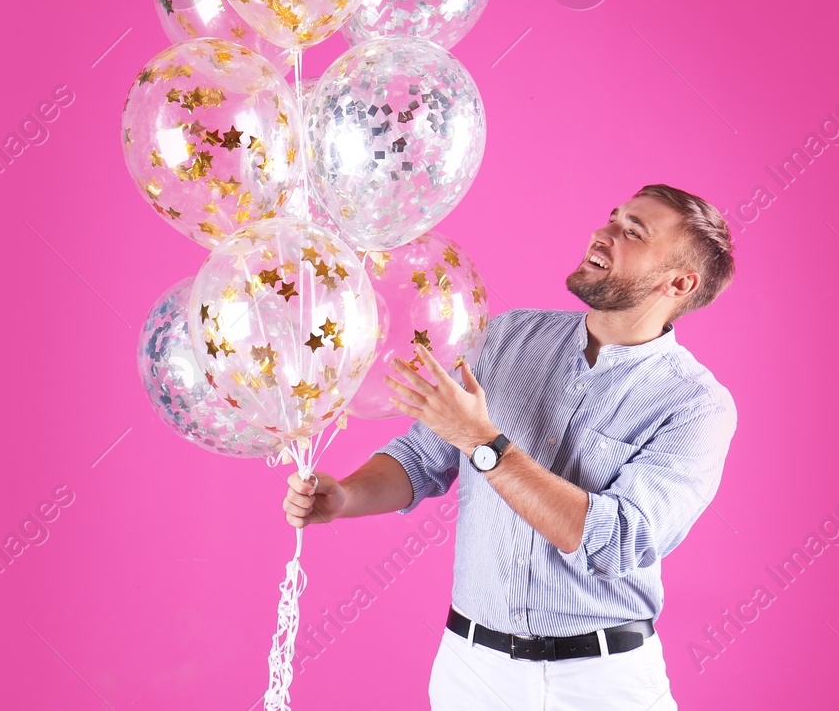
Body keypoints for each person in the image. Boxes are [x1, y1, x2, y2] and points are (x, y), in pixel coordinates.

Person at [282, 183, 739, 710]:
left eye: (632, 232)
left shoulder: (696, 406)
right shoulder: (504, 338)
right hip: (472, 673)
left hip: (602, 683)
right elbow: (420, 460)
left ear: (679, 283)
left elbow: (615, 541)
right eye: (612, 218)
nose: (603, 233)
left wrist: (481, 440)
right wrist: (345, 497)